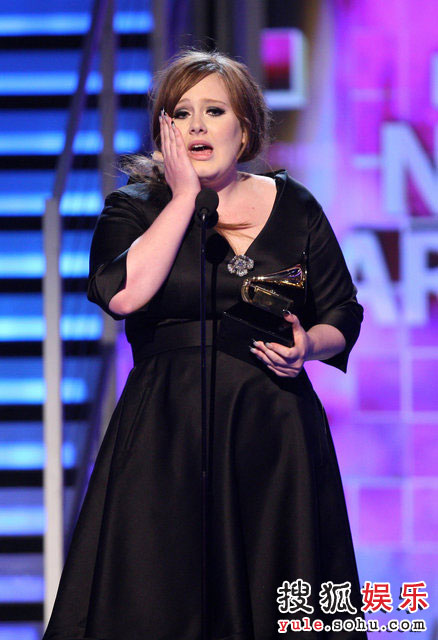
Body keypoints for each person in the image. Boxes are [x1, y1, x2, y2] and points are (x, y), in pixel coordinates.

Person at [43, 50, 367, 640]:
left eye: (213, 111)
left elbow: (342, 311)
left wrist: (308, 346)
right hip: (166, 431)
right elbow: (121, 295)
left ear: (243, 129)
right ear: (164, 132)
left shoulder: (295, 206)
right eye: (181, 113)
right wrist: (184, 199)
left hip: (273, 431)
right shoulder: (133, 208)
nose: (196, 125)